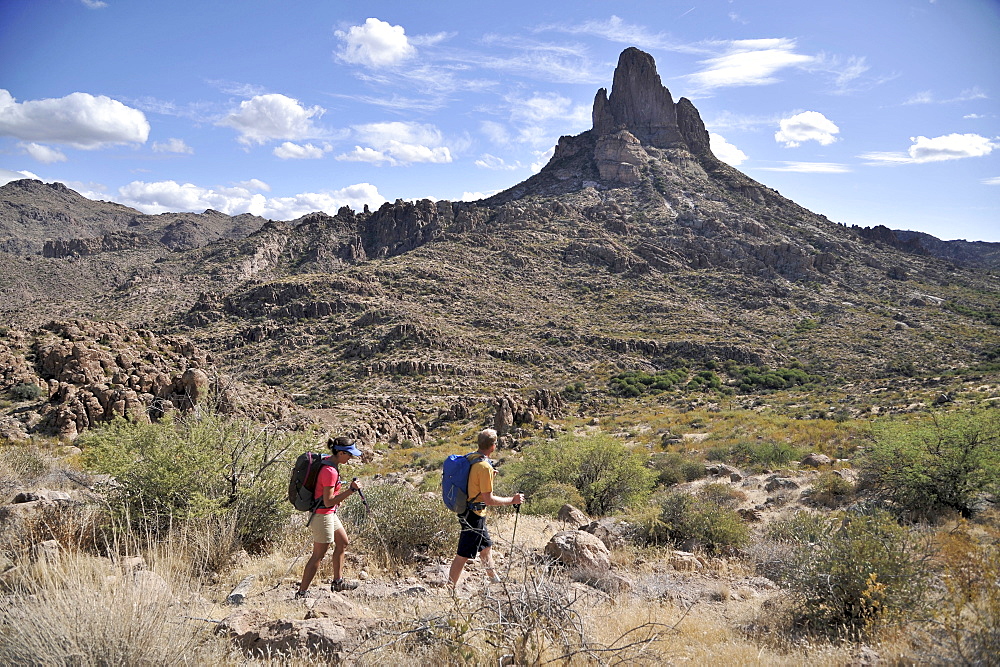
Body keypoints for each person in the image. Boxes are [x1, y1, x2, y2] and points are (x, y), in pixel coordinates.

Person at [448, 428, 524, 589]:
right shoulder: (484, 467)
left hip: (468, 510)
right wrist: (513, 500)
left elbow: (473, 481)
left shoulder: (472, 458)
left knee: (486, 546)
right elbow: (488, 499)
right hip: (473, 514)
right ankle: (450, 589)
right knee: (462, 555)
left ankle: (494, 579)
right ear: (493, 446)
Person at [295, 436, 363, 598]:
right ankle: (302, 593)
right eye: (349, 454)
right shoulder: (330, 471)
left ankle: (338, 583)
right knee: (318, 554)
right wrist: (351, 490)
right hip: (322, 516)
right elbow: (328, 500)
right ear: (340, 453)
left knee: (342, 542)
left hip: (328, 513)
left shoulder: (330, 463)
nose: (351, 458)